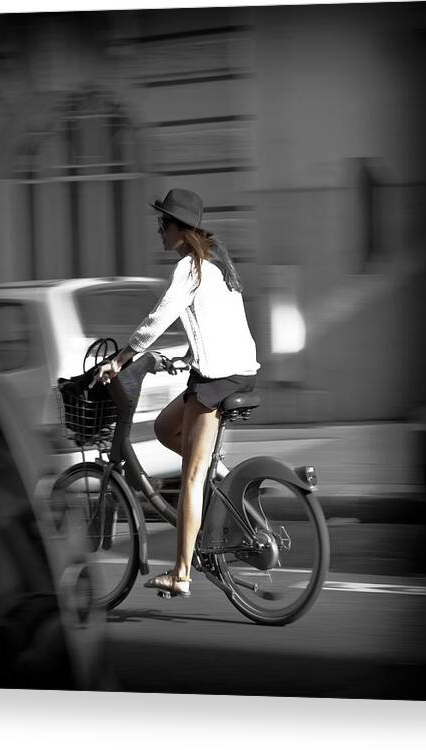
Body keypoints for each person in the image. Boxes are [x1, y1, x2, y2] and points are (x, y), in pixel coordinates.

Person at [98, 188, 260, 598]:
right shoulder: (216, 261)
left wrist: (122, 358)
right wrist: (186, 356)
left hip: (218, 379)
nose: (159, 231)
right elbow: (217, 322)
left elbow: (158, 317)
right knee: (164, 426)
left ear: (180, 229)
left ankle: (182, 572)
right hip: (233, 370)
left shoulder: (191, 267)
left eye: (162, 224)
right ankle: (221, 481)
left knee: (190, 475)